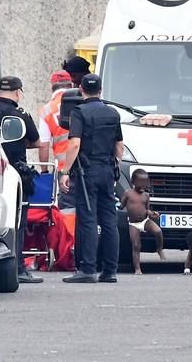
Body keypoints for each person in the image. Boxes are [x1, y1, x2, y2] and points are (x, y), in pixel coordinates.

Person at [59, 74, 123, 283]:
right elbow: (119, 148)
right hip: (107, 170)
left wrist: (65, 171)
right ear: (101, 90)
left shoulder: (79, 112)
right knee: (109, 220)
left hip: (88, 171)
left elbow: (75, 144)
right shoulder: (113, 113)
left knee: (88, 219)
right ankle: (110, 270)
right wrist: (112, 167)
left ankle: (87, 269)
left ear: (81, 89)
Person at [0, 75, 43, 284]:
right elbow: (37, 142)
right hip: (14, 173)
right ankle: (18, 268)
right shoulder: (20, 114)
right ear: (18, 92)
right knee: (17, 221)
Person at [38, 70, 75, 209]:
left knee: (67, 208)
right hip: (89, 164)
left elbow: (44, 145)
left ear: (51, 87)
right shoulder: (84, 103)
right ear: (71, 85)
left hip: (64, 167)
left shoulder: (46, 110)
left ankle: (69, 231)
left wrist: (44, 171)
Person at [119, 169, 165, 275]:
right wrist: (118, 208)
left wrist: (152, 213)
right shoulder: (128, 193)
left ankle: (159, 249)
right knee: (136, 245)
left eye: (145, 182)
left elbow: (147, 209)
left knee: (158, 231)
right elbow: (121, 205)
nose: (144, 185)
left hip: (145, 220)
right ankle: (137, 268)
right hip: (133, 224)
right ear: (133, 182)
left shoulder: (146, 195)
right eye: (141, 182)